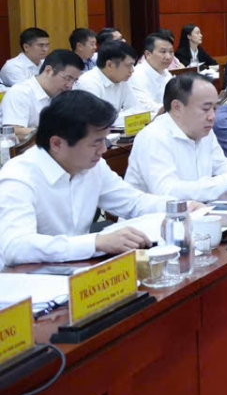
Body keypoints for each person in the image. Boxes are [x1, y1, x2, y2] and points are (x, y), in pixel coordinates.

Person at [0, 91, 174, 265]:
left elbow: (134, 203)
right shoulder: (19, 177)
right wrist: (96, 242)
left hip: (77, 268)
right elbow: (16, 247)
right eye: (95, 143)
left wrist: (180, 207)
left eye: (105, 140)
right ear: (57, 143)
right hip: (29, 275)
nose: (103, 150)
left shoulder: (93, 166)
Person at [126, 74, 227, 203]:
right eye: (206, 109)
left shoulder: (204, 130)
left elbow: (221, 166)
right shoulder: (153, 136)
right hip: (153, 221)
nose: (212, 116)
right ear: (177, 108)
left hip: (199, 212)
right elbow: (167, 192)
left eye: (215, 108)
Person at [1, 49, 83, 135]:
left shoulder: (62, 95)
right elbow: (14, 131)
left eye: (74, 81)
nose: (70, 86)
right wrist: (53, 134)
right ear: (48, 71)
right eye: (67, 78)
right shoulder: (20, 93)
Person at [76, 41, 143, 115]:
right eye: (129, 65)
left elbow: (136, 109)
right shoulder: (88, 83)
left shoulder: (121, 80)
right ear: (110, 65)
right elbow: (95, 118)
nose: (132, 70)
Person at [128, 32, 175, 111]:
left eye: (171, 52)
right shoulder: (137, 75)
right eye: (163, 52)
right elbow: (146, 107)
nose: (168, 57)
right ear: (148, 54)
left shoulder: (167, 74)